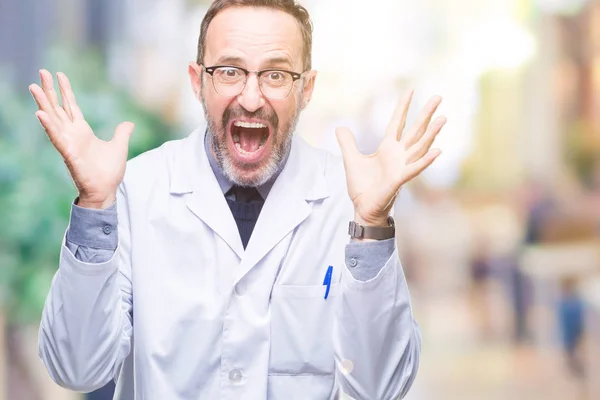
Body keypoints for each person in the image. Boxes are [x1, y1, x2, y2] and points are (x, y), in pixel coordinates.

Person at [30, 1, 446, 399]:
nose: (251, 98)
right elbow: (77, 369)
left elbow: (381, 387)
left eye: (276, 75)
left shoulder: (349, 200)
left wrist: (372, 224)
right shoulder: (137, 190)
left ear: (307, 88)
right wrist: (93, 203)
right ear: (198, 81)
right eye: (230, 71)